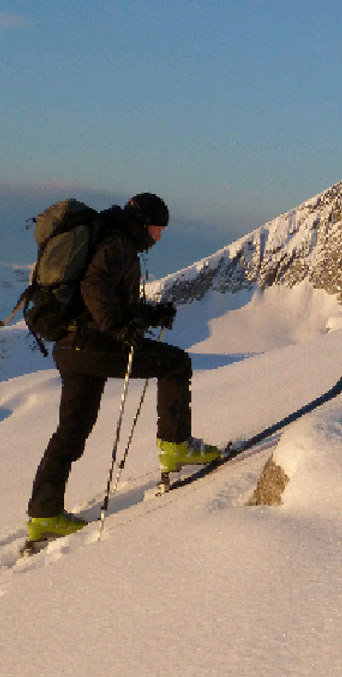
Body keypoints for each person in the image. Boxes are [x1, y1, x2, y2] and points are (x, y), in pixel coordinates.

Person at [26, 193, 219, 542]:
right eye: (158, 229)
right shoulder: (118, 245)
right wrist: (118, 329)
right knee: (176, 363)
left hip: (70, 347)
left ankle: (44, 515)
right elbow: (94, 288)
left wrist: (149, 315)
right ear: (144, 224)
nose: (159, 237)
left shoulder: (108, 237)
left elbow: (109, 299)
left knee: (71, 430)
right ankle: (176, 446)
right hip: (94, 346)